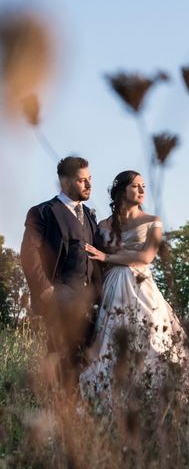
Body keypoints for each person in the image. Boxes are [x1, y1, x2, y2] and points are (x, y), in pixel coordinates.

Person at [79, 170, 189, 408]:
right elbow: (94, 263)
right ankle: (114, 403)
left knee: (151, 340)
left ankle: (157, 401)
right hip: (112, 289)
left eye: (144, 186)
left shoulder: (153, 221)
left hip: (141, 288)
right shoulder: (102, 225)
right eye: (136, 186)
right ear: (122, 191)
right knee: (111, 344)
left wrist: (107, 255)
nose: (142, 190)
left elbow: (145, 256)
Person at [20, 156, 102, 391]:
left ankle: (79, 418)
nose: (88, 185)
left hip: (90, 303)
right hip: (59, 299)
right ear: (64, 182)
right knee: (61, 360)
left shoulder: (89, 216)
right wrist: (45, 291)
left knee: (86, 361)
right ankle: (56, 416)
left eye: (90, 179)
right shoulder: (43, 212)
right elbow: (29, 253)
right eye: (81, 181)